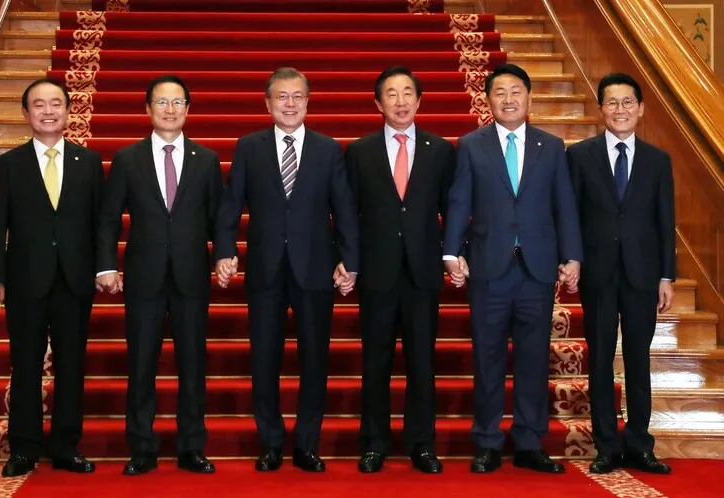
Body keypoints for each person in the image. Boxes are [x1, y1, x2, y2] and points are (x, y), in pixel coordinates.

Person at [214, 67, 359, 473]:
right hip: (265, 270)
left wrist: (351, 259)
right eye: (282, 97)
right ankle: (271, 442)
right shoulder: (249, 147)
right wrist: (225, 250)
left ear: (308, 102)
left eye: (297, 96)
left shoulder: (329, 149)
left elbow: (344, 208)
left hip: (316, 269)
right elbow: (231, 204)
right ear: (268, 103)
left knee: (315, 359)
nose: (290, 104)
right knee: (264, 359)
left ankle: (307, 444)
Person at [442, 63, 583, 474]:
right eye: (500, 92)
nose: (508, 99)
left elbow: (565, 206)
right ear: (488, 100)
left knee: (534, 358)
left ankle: (528, 441)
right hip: (488, 267)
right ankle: (486, 441)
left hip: (537, 270)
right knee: (487, 359)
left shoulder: (552, 146)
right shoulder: (470, 144)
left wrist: (571, 255)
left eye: (516, 91)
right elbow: (459, 202)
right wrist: (451, 251)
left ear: (529, 97)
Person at [96, 75, 222, 476]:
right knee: (142, 364)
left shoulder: (207, 160)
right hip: (143, 276)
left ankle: (191, 446)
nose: (170, 110)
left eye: (178, 102)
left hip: (191, 277)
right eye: (162, 103)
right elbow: (109, 218)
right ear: (147, 109)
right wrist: (106, 266)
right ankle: (142, 447)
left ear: (189, 109)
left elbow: (219, 219)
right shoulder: (127, 159)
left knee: (192, 364)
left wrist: (223, 256)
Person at [0, 78, 101, 477]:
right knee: (26, 364)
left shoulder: (89, 162)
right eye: (39, 105)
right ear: (26, 113)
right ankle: (25, 448)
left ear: (68, 111)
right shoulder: (8, 164)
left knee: (71, 365)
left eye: (56, 104)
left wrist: (102, 268)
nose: (48, 111)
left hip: (75, 280)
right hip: (25, 280)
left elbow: (100, 224)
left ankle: (66, 446)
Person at [345, 66, 454, 474]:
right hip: (376, 273)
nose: (401, 100)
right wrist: (349, 261)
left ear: (420, 100)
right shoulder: (359, 151)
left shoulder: (440, 150)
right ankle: (374, 443)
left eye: (408, 93)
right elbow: (347, 214)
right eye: (391, 94)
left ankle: (421, 444)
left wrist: (453, 253)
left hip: (423, 273)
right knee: (375, 362)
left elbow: (453, 210)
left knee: (422, 363)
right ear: (378, 103)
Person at [566, 73, 674, 475]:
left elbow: (666, 222)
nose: (620, 110)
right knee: (598, 361)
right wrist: (572, 258)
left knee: (637, 360)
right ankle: (606, 446)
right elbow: (571, 216)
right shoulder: (579, 156)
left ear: (641, 109)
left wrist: (667, 276)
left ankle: (641, 445)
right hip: (597, 273)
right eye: (612, 103)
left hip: (643, 275)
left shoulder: (658, 160)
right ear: (600, 110)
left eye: (628, 102)